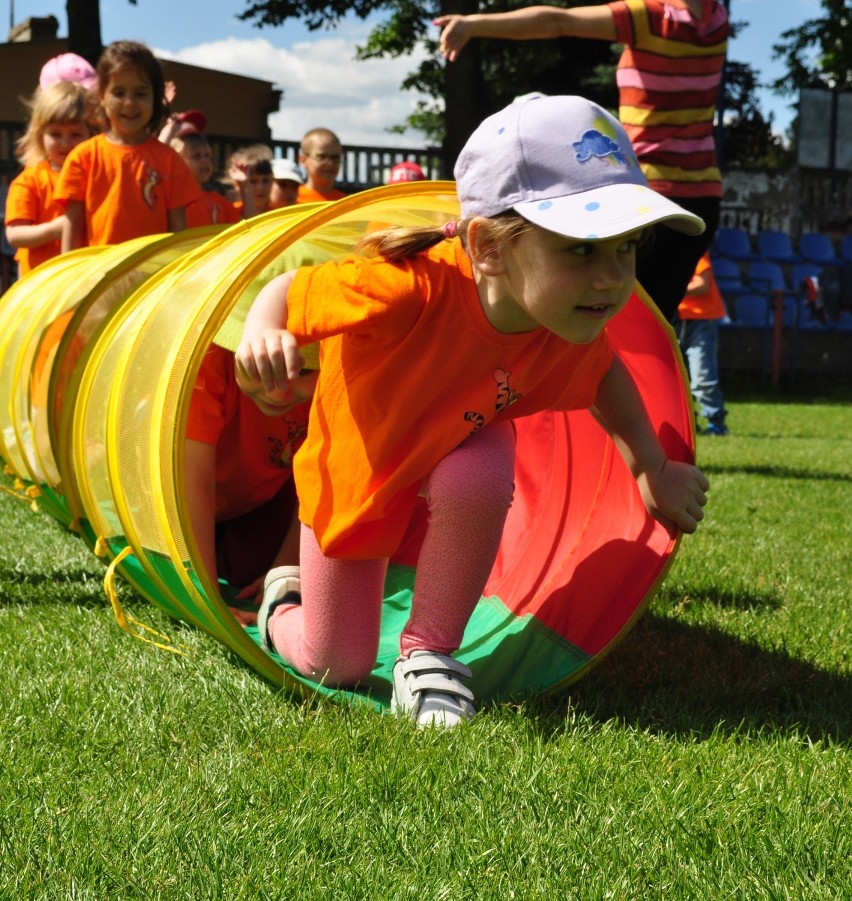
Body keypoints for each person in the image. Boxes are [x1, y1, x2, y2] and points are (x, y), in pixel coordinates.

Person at [235, 95, 710, 727]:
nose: (611, 279)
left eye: (625, 249)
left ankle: (429, 651)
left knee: (481, 466)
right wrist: (264, 334)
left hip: (452, 457)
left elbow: (607, 379)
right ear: (488, 246)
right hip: (361, 466)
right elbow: (291, 289)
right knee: (336, 663)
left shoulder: (560, 326)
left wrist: (651, 469)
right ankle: (281, 606)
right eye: (581, 250)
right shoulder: (407, 287)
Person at [435, 0, 731, 322]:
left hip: (648, 197)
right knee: (653, 325)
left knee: (609, 327)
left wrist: (474, 24)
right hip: (700, 199)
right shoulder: (716, 20)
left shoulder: (651, 16)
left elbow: (558, 22)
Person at [185, 341, 315, 625]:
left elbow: (319, 476)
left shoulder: (334, 379)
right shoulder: (208, 361)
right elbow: (192, 483)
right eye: (261, 366)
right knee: (187, 562)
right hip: (180, 499)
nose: (279, 390)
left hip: (251, 500)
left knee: (251, 568)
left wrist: (284, 572)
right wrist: (208, 597)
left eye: (303, 371)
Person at [56, 40, 201, 250]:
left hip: (153, 278)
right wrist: (68, 277)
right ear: (102, 96)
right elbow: (72, 226)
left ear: (157, 98)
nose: (129, 103)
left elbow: (179, 234)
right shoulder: (83, 158)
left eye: (140, 93)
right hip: (98, 277)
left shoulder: (170, 161)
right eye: (119, 92)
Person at [4, 81, 95, 275]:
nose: (65, 143)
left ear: (91, 134)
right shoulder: (30, 181)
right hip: (39, 283)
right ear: (40, 135)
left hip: (83, 277)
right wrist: (56, 228)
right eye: (55, 134)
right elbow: (15, 235)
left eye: (75, 134)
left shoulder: (96, 178)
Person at [675, 252, 728, 435]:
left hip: (700, 319)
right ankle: (686, 423)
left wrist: (669, 290)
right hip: (672, 319)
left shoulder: (693, 249)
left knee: (702, 377)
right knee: (674, 378)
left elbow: (702, 285)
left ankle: (716, 422)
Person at [169, 131, 241, 228]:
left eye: (207, 155)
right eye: (196, 156)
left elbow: (244, 229)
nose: (205, 161)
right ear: (177, 161)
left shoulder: (217, 199)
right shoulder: (174, 203)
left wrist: (245, 186)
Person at [297, 128, 347, 202]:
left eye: (335, 157)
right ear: (303, 160)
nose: (330, 163)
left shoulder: (346, 202)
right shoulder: (292, 199)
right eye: (322, 157)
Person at [227, 144, 274, 218]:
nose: (260, 187)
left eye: (265, 180)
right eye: (253, 181)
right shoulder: (231, 212)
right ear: (236, 184)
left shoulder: (278, 212)